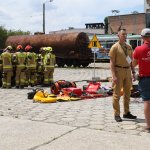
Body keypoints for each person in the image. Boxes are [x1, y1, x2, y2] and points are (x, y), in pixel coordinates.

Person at [109, 29, 137, 122]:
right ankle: (117, 114)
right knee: (117, 94)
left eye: (126, 34)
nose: (125, 36)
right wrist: (113, 76)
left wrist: (133, 72)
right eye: (123, 34)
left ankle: (126, 113)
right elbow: (112, 63)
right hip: (118, 71)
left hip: (127, 71)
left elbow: (131, 61)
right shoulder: (114, 47)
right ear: (118, 35)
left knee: (127, 93)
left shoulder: (129, 47)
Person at [132, 28, 150, 132]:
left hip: (145, 79)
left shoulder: (139, 49)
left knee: (147, 101)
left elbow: (133, 64)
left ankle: (148, 126)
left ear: (142, 37)